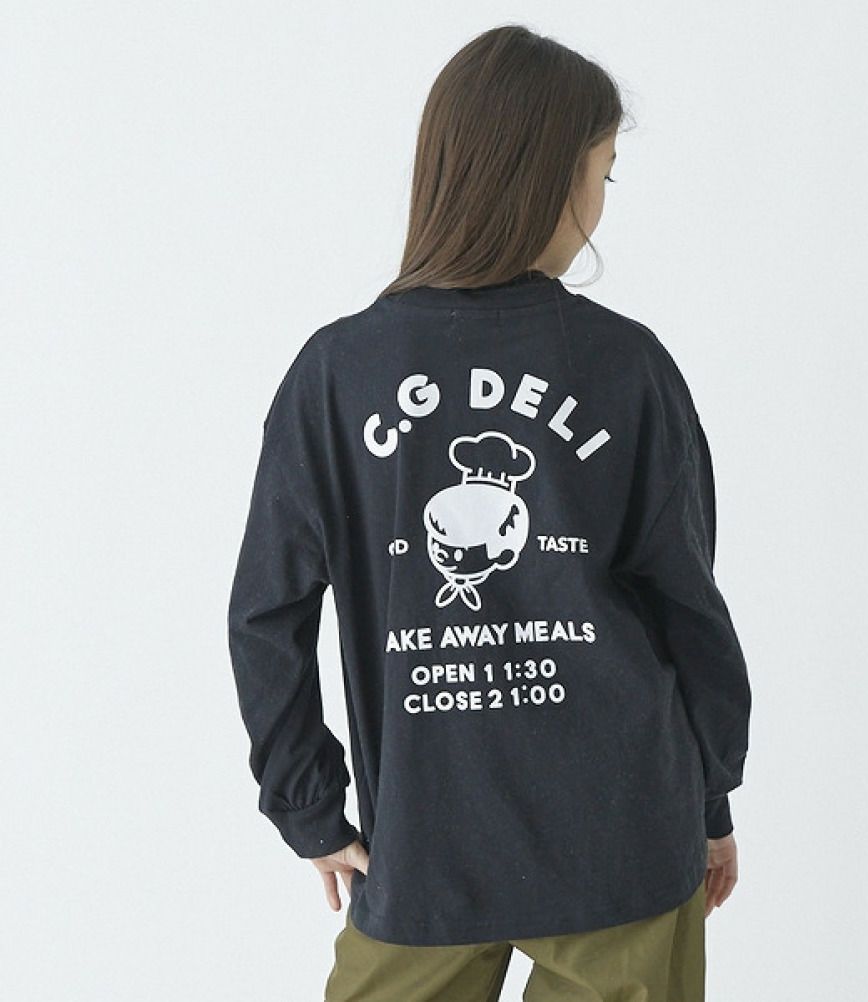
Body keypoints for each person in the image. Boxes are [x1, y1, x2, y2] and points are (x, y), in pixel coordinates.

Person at [227, 22, 752, 1002]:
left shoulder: (338, 374)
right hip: (622, 844)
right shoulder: (624, 366)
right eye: (602, 170)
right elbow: (686, 602)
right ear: (550, 176)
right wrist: (711, 795)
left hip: (420, 848)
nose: (601, 201)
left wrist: (311, 811)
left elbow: (265, 613)